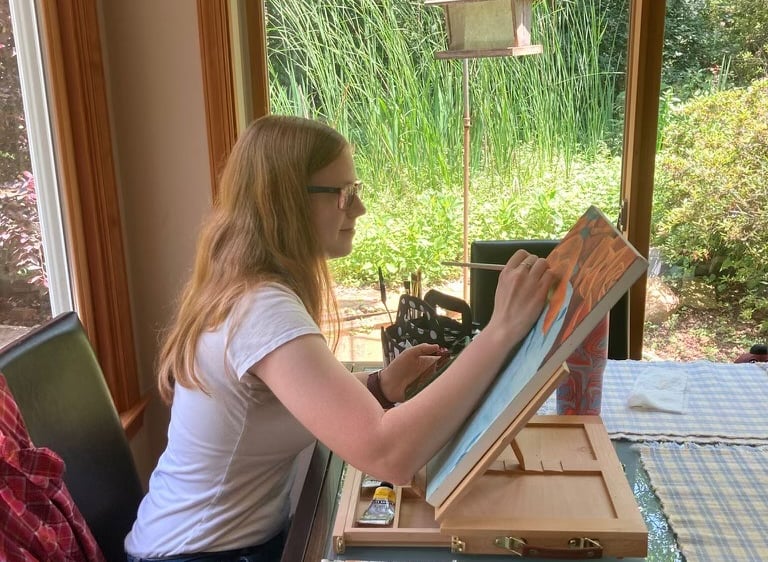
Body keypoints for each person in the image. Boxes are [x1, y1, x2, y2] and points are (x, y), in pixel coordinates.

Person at [124, 115, 555, 562]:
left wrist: (379, 386)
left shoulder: (248, 289)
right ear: (287, 201)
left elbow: (292, 400)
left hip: (221, 546)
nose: (359, 208)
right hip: (197, 555)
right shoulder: (260, 308)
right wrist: (501, 330)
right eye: (345, 193)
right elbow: (388, 454)